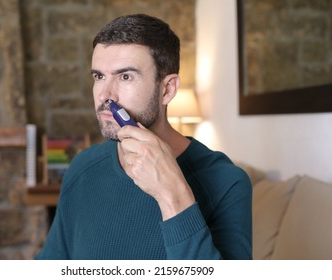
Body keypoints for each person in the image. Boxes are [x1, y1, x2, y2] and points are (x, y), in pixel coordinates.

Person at [36, 14, 252, 260]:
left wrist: (172, 193)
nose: (105, 96)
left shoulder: (227, 182)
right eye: (99, 77)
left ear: (167, 89)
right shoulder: (82, 167)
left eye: (125, 77)